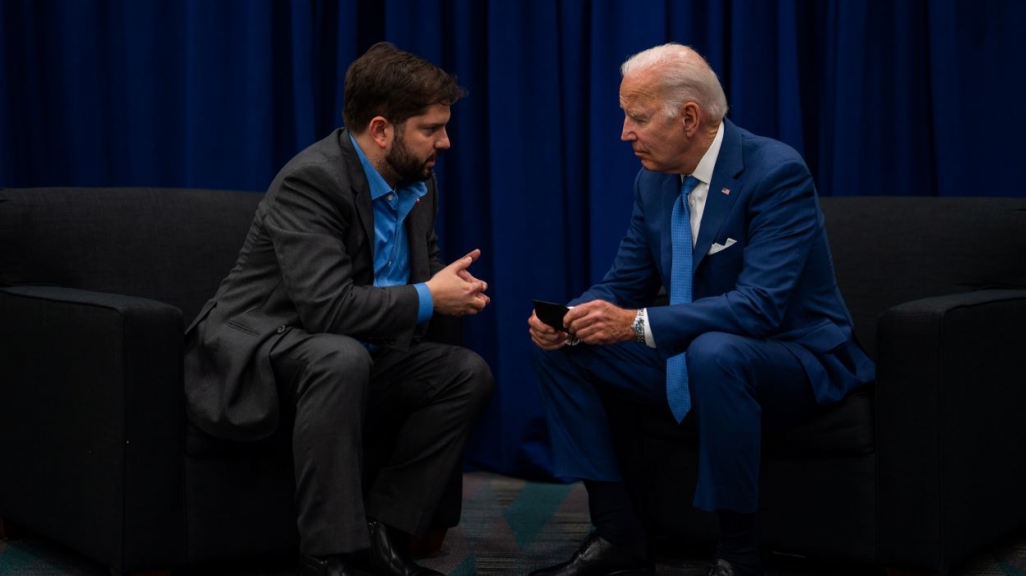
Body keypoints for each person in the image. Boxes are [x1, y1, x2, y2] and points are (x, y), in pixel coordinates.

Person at [527, 43, 875, 576]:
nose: (624, 132)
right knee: (566, 350)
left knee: (716, 354)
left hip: (795, 355)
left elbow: (760, 308)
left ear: (690, 118)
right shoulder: (653, 182)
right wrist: (571, 317)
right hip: (703, 352)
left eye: (637, 118)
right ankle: (618, 531)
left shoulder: (775, 172)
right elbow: (625, 282)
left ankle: (737, 554)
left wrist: (636, 324)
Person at [184, 42, 495, 576]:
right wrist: (429, 297)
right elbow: (327, 308)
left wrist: (451, 285)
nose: (445, 141)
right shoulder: (313, 180)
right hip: (267, 346)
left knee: (465, 374)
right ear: (381, 130)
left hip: (358, 350)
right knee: (340, 356)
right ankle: (329, 556)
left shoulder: (420, 181)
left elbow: (423, 269)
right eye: (430, 128)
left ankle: (386, 531)